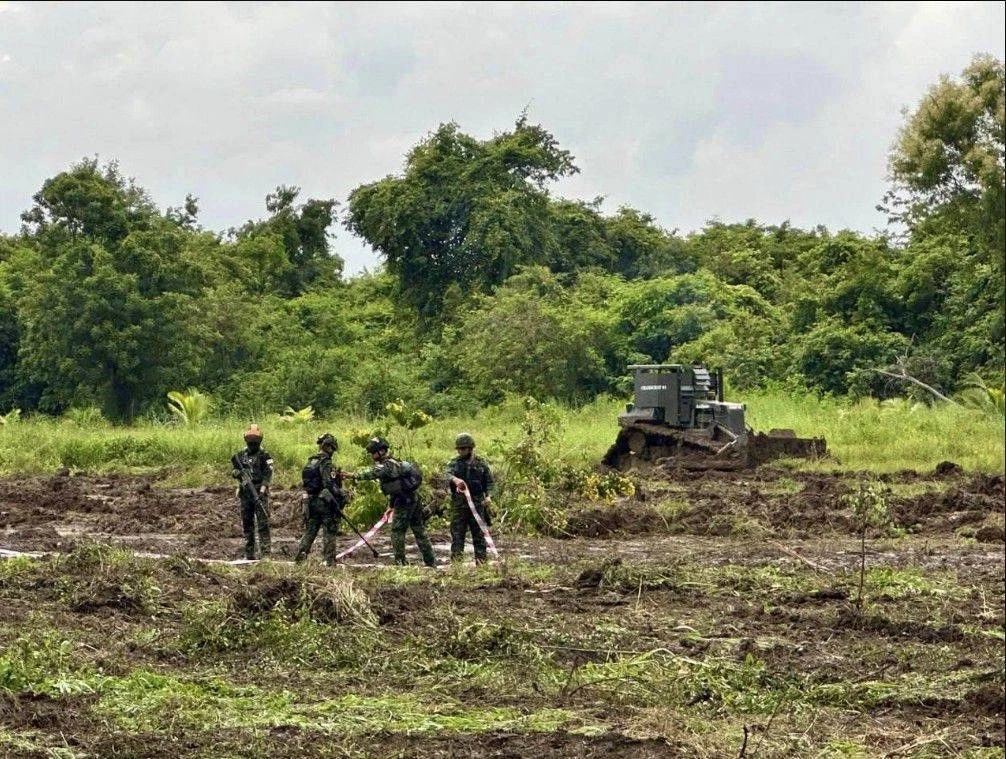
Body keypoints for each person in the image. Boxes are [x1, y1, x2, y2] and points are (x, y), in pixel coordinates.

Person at [345, 437, 436, 567]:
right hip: (412, 499)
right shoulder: (395, 462)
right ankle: (431, 562)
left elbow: (371, 473)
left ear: (381, 451)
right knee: (419, 530)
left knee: (397, 532)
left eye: (373, 452)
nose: (372, 455)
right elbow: (396, 487)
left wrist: (352, 475)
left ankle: (400, 563)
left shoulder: (387, 465)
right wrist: (391, 506)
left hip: (404, 502)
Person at [295, 433, 347, 566]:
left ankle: (300, 558)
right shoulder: (326, 463)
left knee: (310, 531)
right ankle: (329, 562)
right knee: (330, 531)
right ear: (329, 447)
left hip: (311, 501)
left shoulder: (311, 461)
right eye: (333, 449)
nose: (333, 452)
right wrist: (341, 495)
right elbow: (329, 484)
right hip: (324, 503)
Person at [445, 432, 495, 564]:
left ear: (470, 448)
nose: (460, 451)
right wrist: (455, 480)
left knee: (479, 536)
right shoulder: (454, 463)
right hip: (459, 505)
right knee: (457, 535)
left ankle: (482, 565)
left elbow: (490, 483)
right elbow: (446, 474)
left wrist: (489, 497)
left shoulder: (481, 464)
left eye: (463, 448)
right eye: (459, 449)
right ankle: (457, 566)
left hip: (478, 504)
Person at [230, 424, 273, 560]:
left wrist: (262, 489)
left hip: (259, 491)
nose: (252, 444)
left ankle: (265, 554)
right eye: (250, 441)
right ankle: (249, 553)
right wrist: (238, 474)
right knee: (247, 523)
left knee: (263, 523)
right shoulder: (241, 455)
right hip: (245, 492)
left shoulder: (264, 455)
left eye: (254, 441)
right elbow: (234, 471)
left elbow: (268, 473)